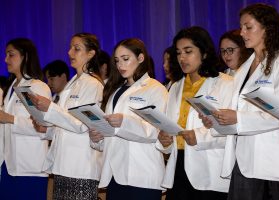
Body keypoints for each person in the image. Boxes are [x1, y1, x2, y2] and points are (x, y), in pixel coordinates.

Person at [211, 3, 279, 200]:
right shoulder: (244, 68)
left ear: (267, 27)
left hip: (269, 162)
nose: (242, 32)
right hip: (242, 160)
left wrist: (237, 118)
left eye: (248, 27)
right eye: (241, 27)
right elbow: (238, 111)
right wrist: (218, 119)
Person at [156, 26, 233, 200]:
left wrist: (199, 136)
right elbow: (169, 125)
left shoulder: (225, 84)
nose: (182, 57)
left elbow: (233, 131)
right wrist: (165, 139)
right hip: (178, 167)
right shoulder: (176, 86)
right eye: (178, 52)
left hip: (209, 169)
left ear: (204, 53)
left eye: (188, 51)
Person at [89, 38, 168, 200]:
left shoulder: (155, 89)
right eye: (117, 61)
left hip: (142, 174)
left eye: (126, 59)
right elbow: (111, 133)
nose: (120, 65)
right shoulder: (114, 91)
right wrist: (98, 137)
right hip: (115, 175)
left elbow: (156, 131)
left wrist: (124, 122)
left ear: (140, 58)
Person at [29, 33, 104, 200]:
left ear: (91, 54)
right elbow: (63, 123)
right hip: (62, 166)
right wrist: (45, 127)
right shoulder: (73, 82)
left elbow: (82, 125)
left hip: (81, 168)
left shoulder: (93, 84)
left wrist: (50, 108)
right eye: (71, 48)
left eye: (76, 49)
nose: (70, 53)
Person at [0, 38, 52, 199]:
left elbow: (44, 127)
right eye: (6, 55)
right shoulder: (11, 87)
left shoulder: (37, 86)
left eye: (11, 55)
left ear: (26, 57)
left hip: (29, 168)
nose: (6, 59)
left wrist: (10, 119)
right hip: (8, 166)